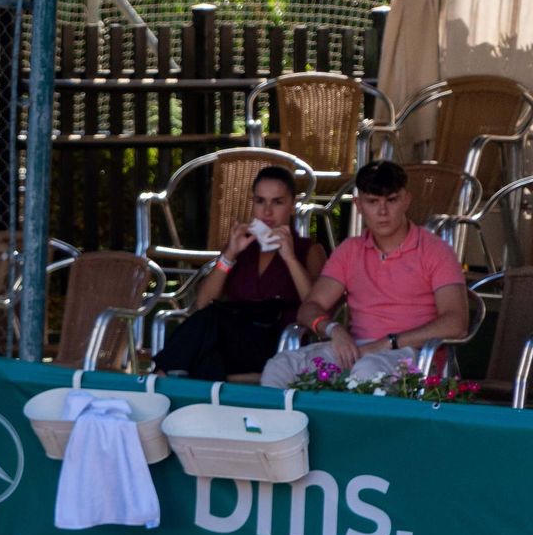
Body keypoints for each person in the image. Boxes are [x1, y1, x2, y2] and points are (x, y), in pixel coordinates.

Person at [260, 160, 468, 389]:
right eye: (372, 201)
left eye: (391, 200)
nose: (382, 211)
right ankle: (286, 425)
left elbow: (456, 323)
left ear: (406, 200)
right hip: (355, 350)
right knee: (279, 367)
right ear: (358, 204)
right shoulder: (350, 251)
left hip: (416, 354)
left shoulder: (435, 250)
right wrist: (333, 329)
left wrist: (389, 343)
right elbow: (310, 307)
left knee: (367, 372)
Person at [154, 166, 327, 381]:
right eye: (260, 201)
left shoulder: (308, 250)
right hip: (234, 340)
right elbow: (203, 301)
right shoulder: (243, 248)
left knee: (211, 323)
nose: (267, 211)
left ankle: (160, 376)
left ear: (292, 205)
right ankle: (172, 375)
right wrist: (229, 255)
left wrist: (290, 259)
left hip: (277, 339)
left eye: (277, 202)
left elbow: (318, 305)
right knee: (209, 344)